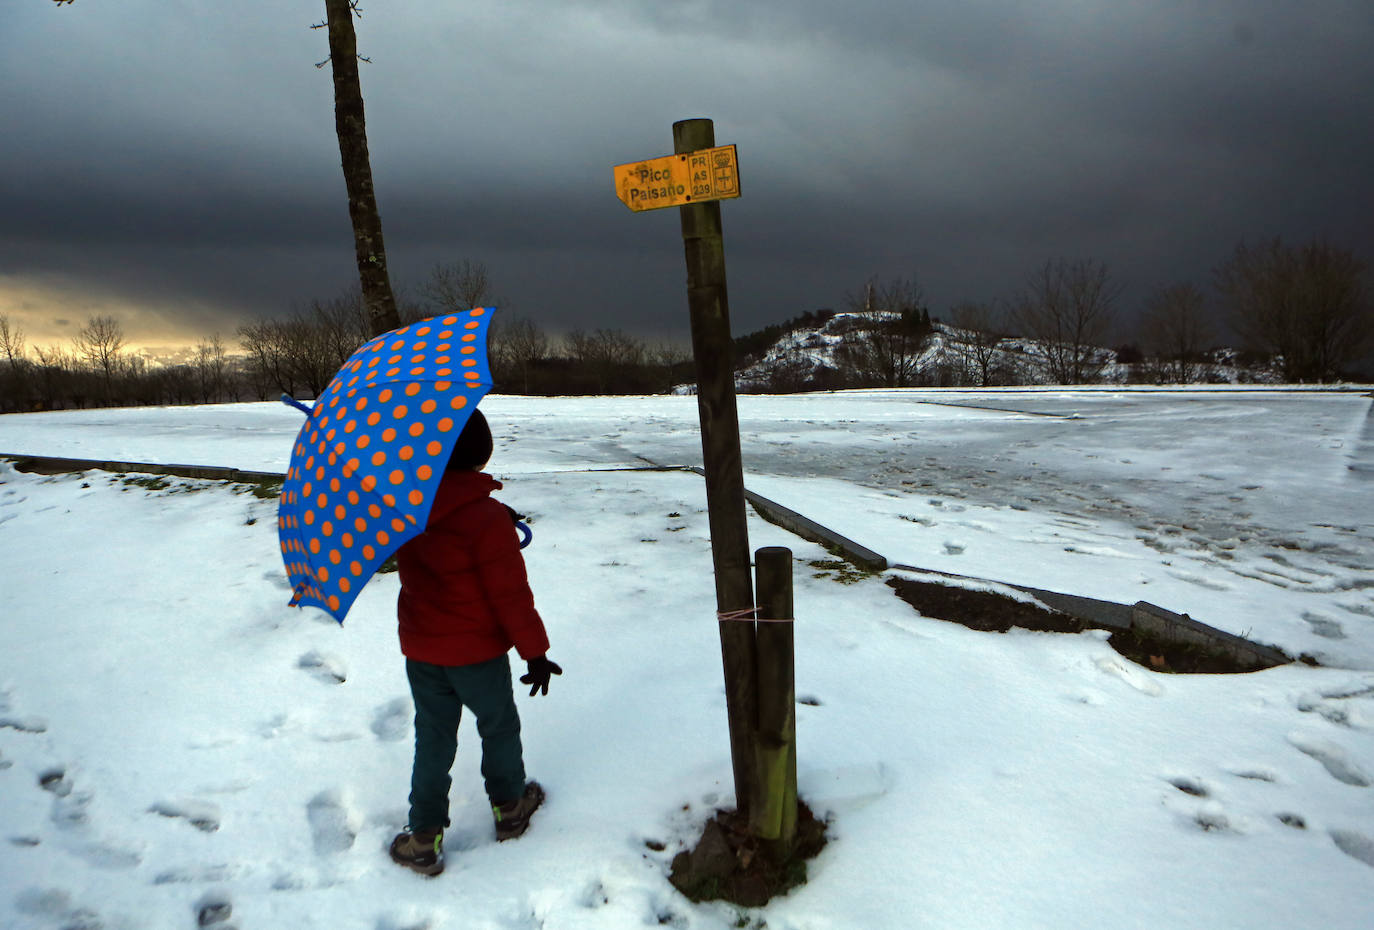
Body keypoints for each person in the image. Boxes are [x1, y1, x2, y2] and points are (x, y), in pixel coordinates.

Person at [387, 408, 562, 877]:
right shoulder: (486, 519)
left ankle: (423, 836)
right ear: (481, 455)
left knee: (433, 736)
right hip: (477, 654)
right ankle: (509, 807)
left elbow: (441, 528)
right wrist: (535, 652)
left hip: (424, 651)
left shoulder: (405, 506)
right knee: (498, 725)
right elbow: (510, 597)